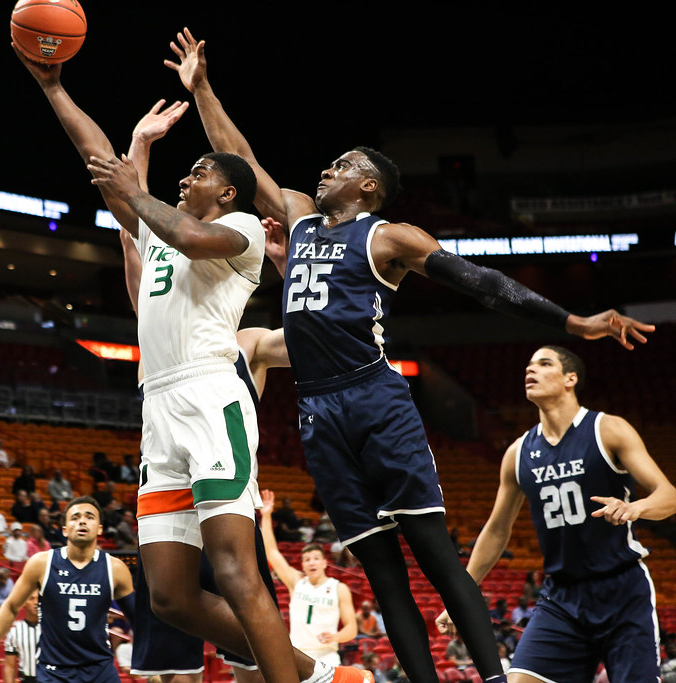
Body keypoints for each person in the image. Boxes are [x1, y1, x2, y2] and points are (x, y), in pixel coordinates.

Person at [169, 27, 656, 683]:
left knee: (433, 552)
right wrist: (201, 88)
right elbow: (239, 155)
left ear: (368, 186)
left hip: (374, 398)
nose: (326, 169)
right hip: (317, 409)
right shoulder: (301, 215)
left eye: (343, 165)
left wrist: (575, 322)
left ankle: (489, 678)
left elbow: (484, 283)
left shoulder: (389, 235)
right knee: (381, 569)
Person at [16, 48, 362, 683]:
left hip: (210, 400)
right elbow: (105, 169)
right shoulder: (158, 228)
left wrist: (132, 188)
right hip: (158, 409)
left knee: (234, 571)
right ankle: (315, 672)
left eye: (198, 172)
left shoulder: (241, 234)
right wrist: (55, 87)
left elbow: (181, 232)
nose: (186, 179)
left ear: (227, 192)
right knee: (170, 597)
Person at [437, 345, 676, 682]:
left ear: (570, 379)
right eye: (528, 366)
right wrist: (462, 595)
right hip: (562, 597)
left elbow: (668, 495)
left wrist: (634, 507)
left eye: (544, 363)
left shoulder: (607, 429)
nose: (530, 371)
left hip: (621, 590)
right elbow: (496, 530)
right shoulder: (517, 453)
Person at [0, 496, 135, 683]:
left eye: (89, 517)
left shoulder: (115, 568)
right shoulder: (42, 563)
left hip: (101, 670)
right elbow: (10, 607)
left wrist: (156, 663)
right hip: (55, 672)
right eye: (75, 517)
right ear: (64, 530)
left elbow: (139, 619)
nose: (82, 521)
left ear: (100, 528)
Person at [260, 490, 357, 665]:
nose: (311, 563)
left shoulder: (339, 588)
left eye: (315, 559)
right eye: (307, 559)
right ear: (303, 565)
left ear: (324, 563)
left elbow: (351, 628)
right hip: (298, 655)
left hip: (328, 656)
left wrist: (336, 636)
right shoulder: (296, 581)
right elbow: (272, 552)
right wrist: (266, 516)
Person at [2, 591, 40, 683]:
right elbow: (10, 667)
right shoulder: (15, 631)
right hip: (26, 679)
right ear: (24, 603)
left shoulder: (50, 629)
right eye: (32, 599)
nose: (36, 602)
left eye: (39, 599)